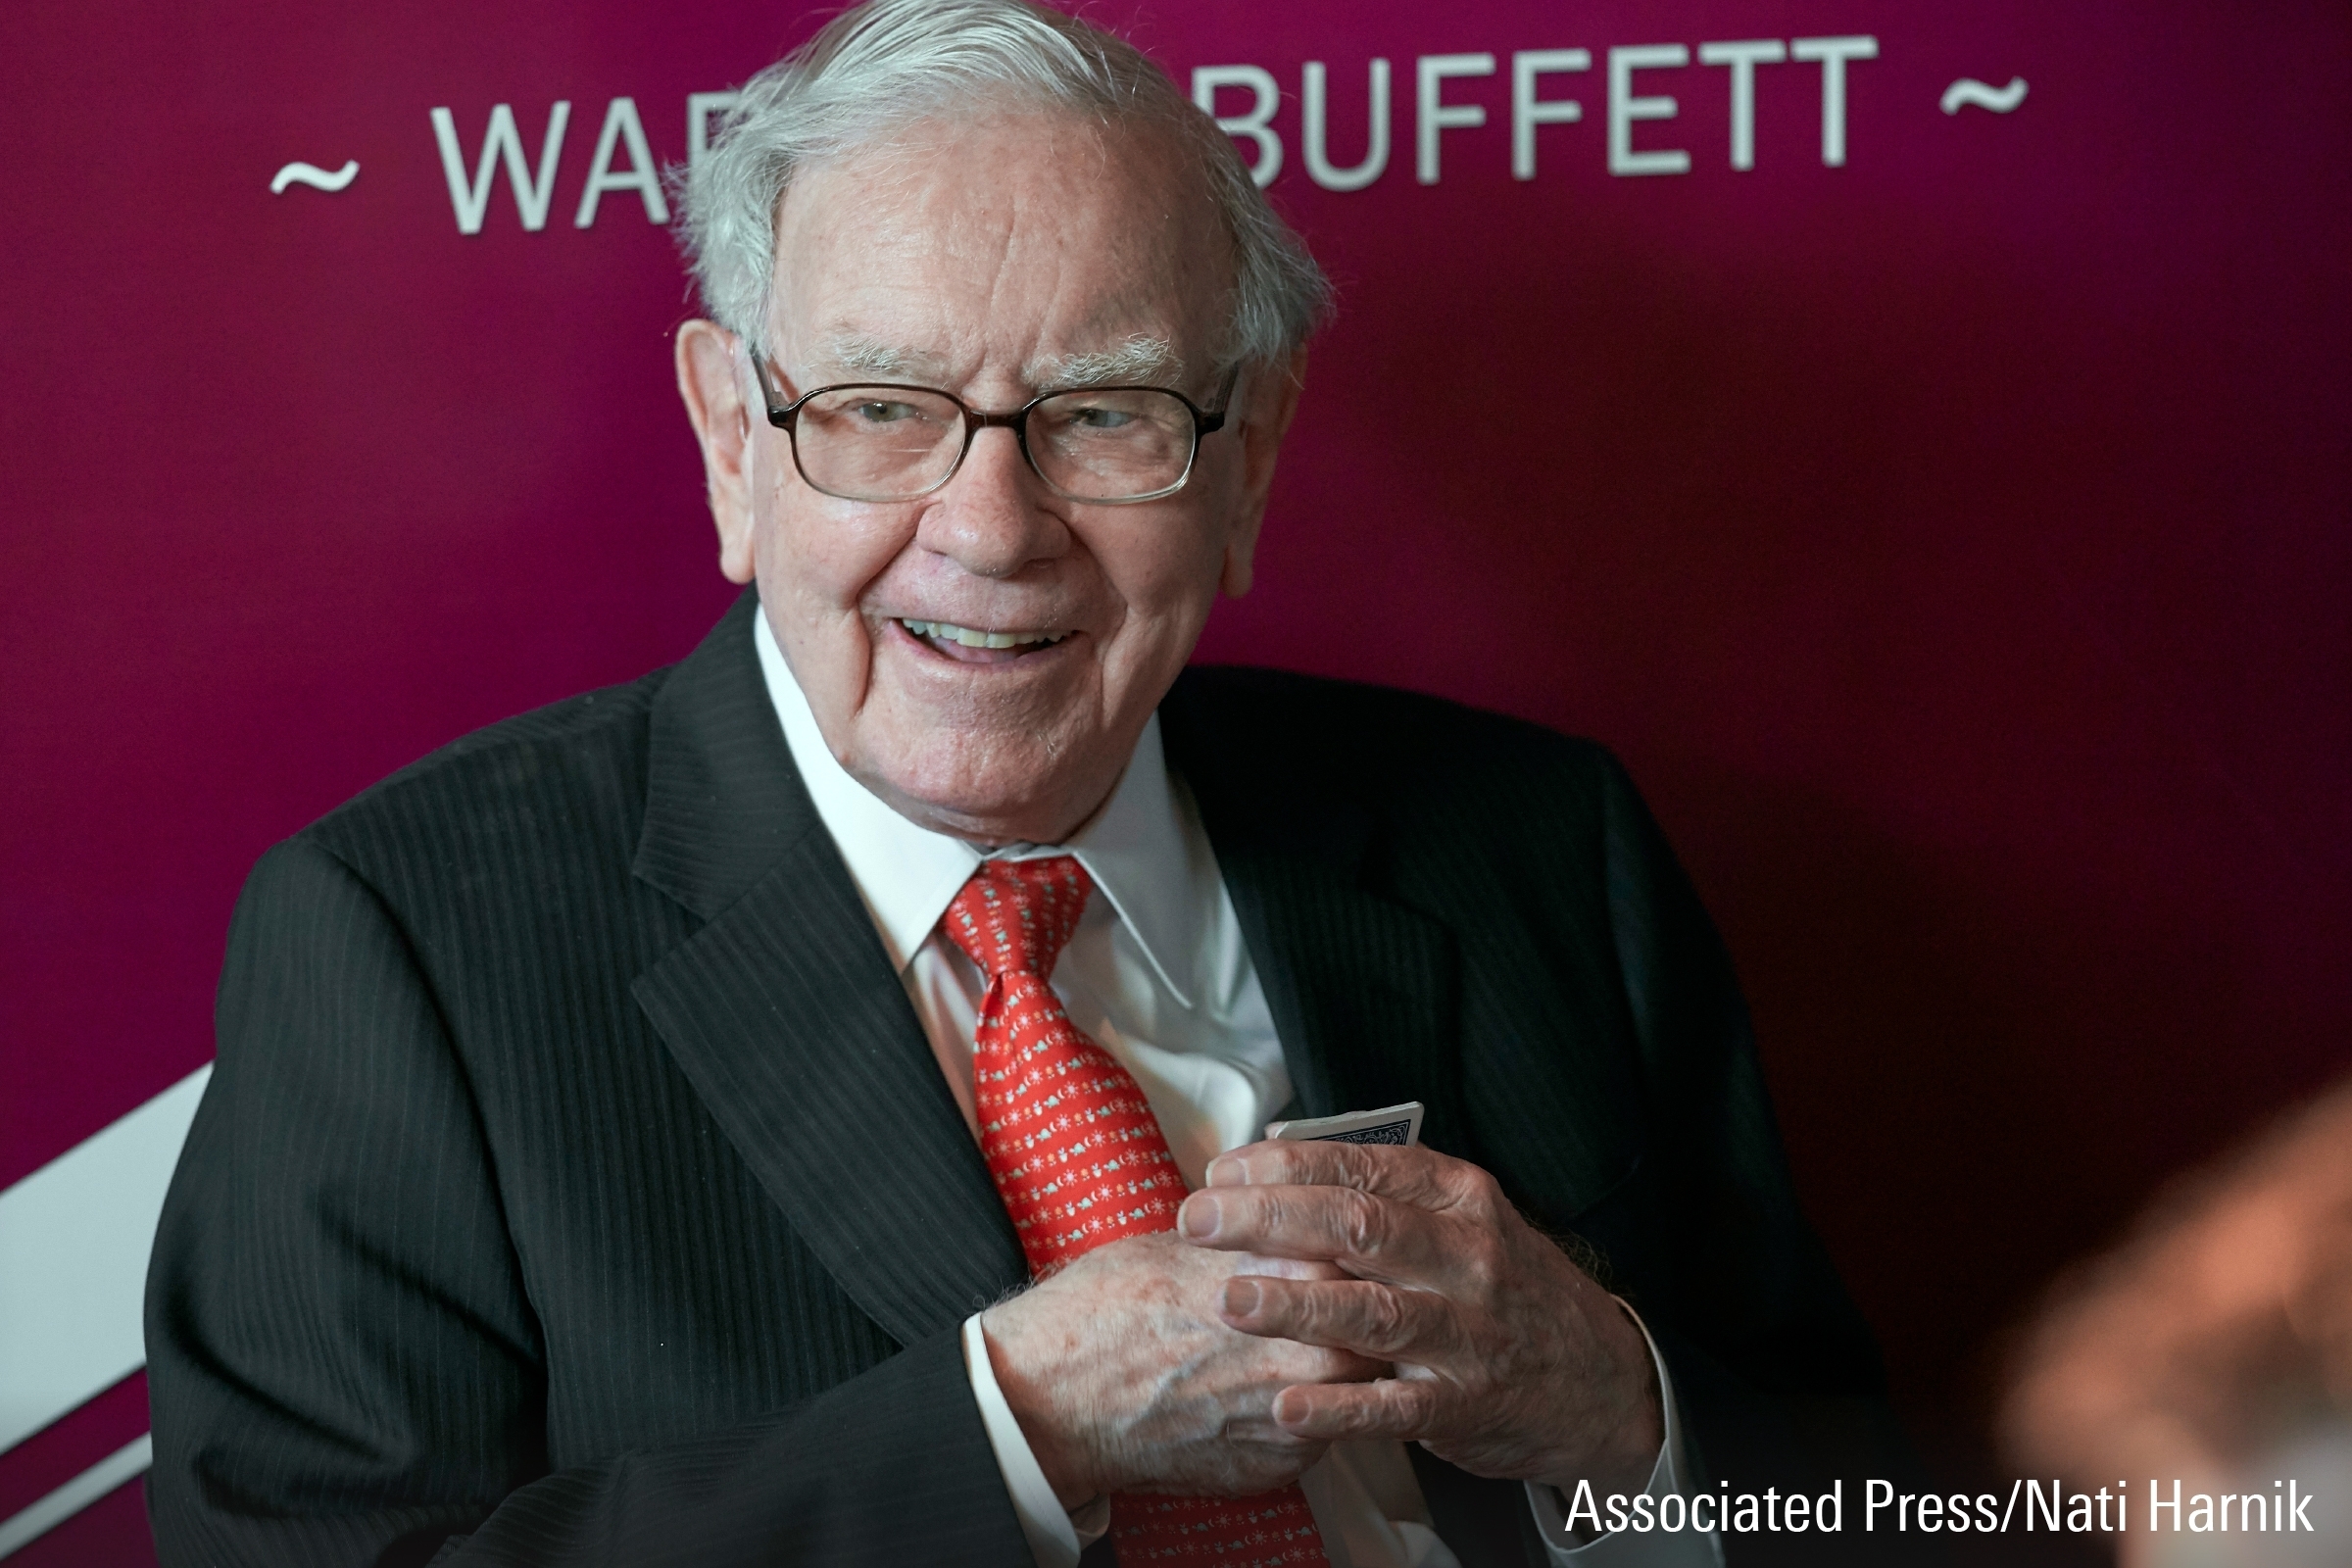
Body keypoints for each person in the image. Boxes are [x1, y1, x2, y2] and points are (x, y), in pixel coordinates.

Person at [145, 1, 1896, 1563]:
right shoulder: (404, 946)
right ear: (733, 447)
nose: (990, 530)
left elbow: (1890, 1509)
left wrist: (1617, 1409)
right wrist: (1014, 1432)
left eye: (1108, 412)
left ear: (1251, 456)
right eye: (884, 410)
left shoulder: (1535, 846)